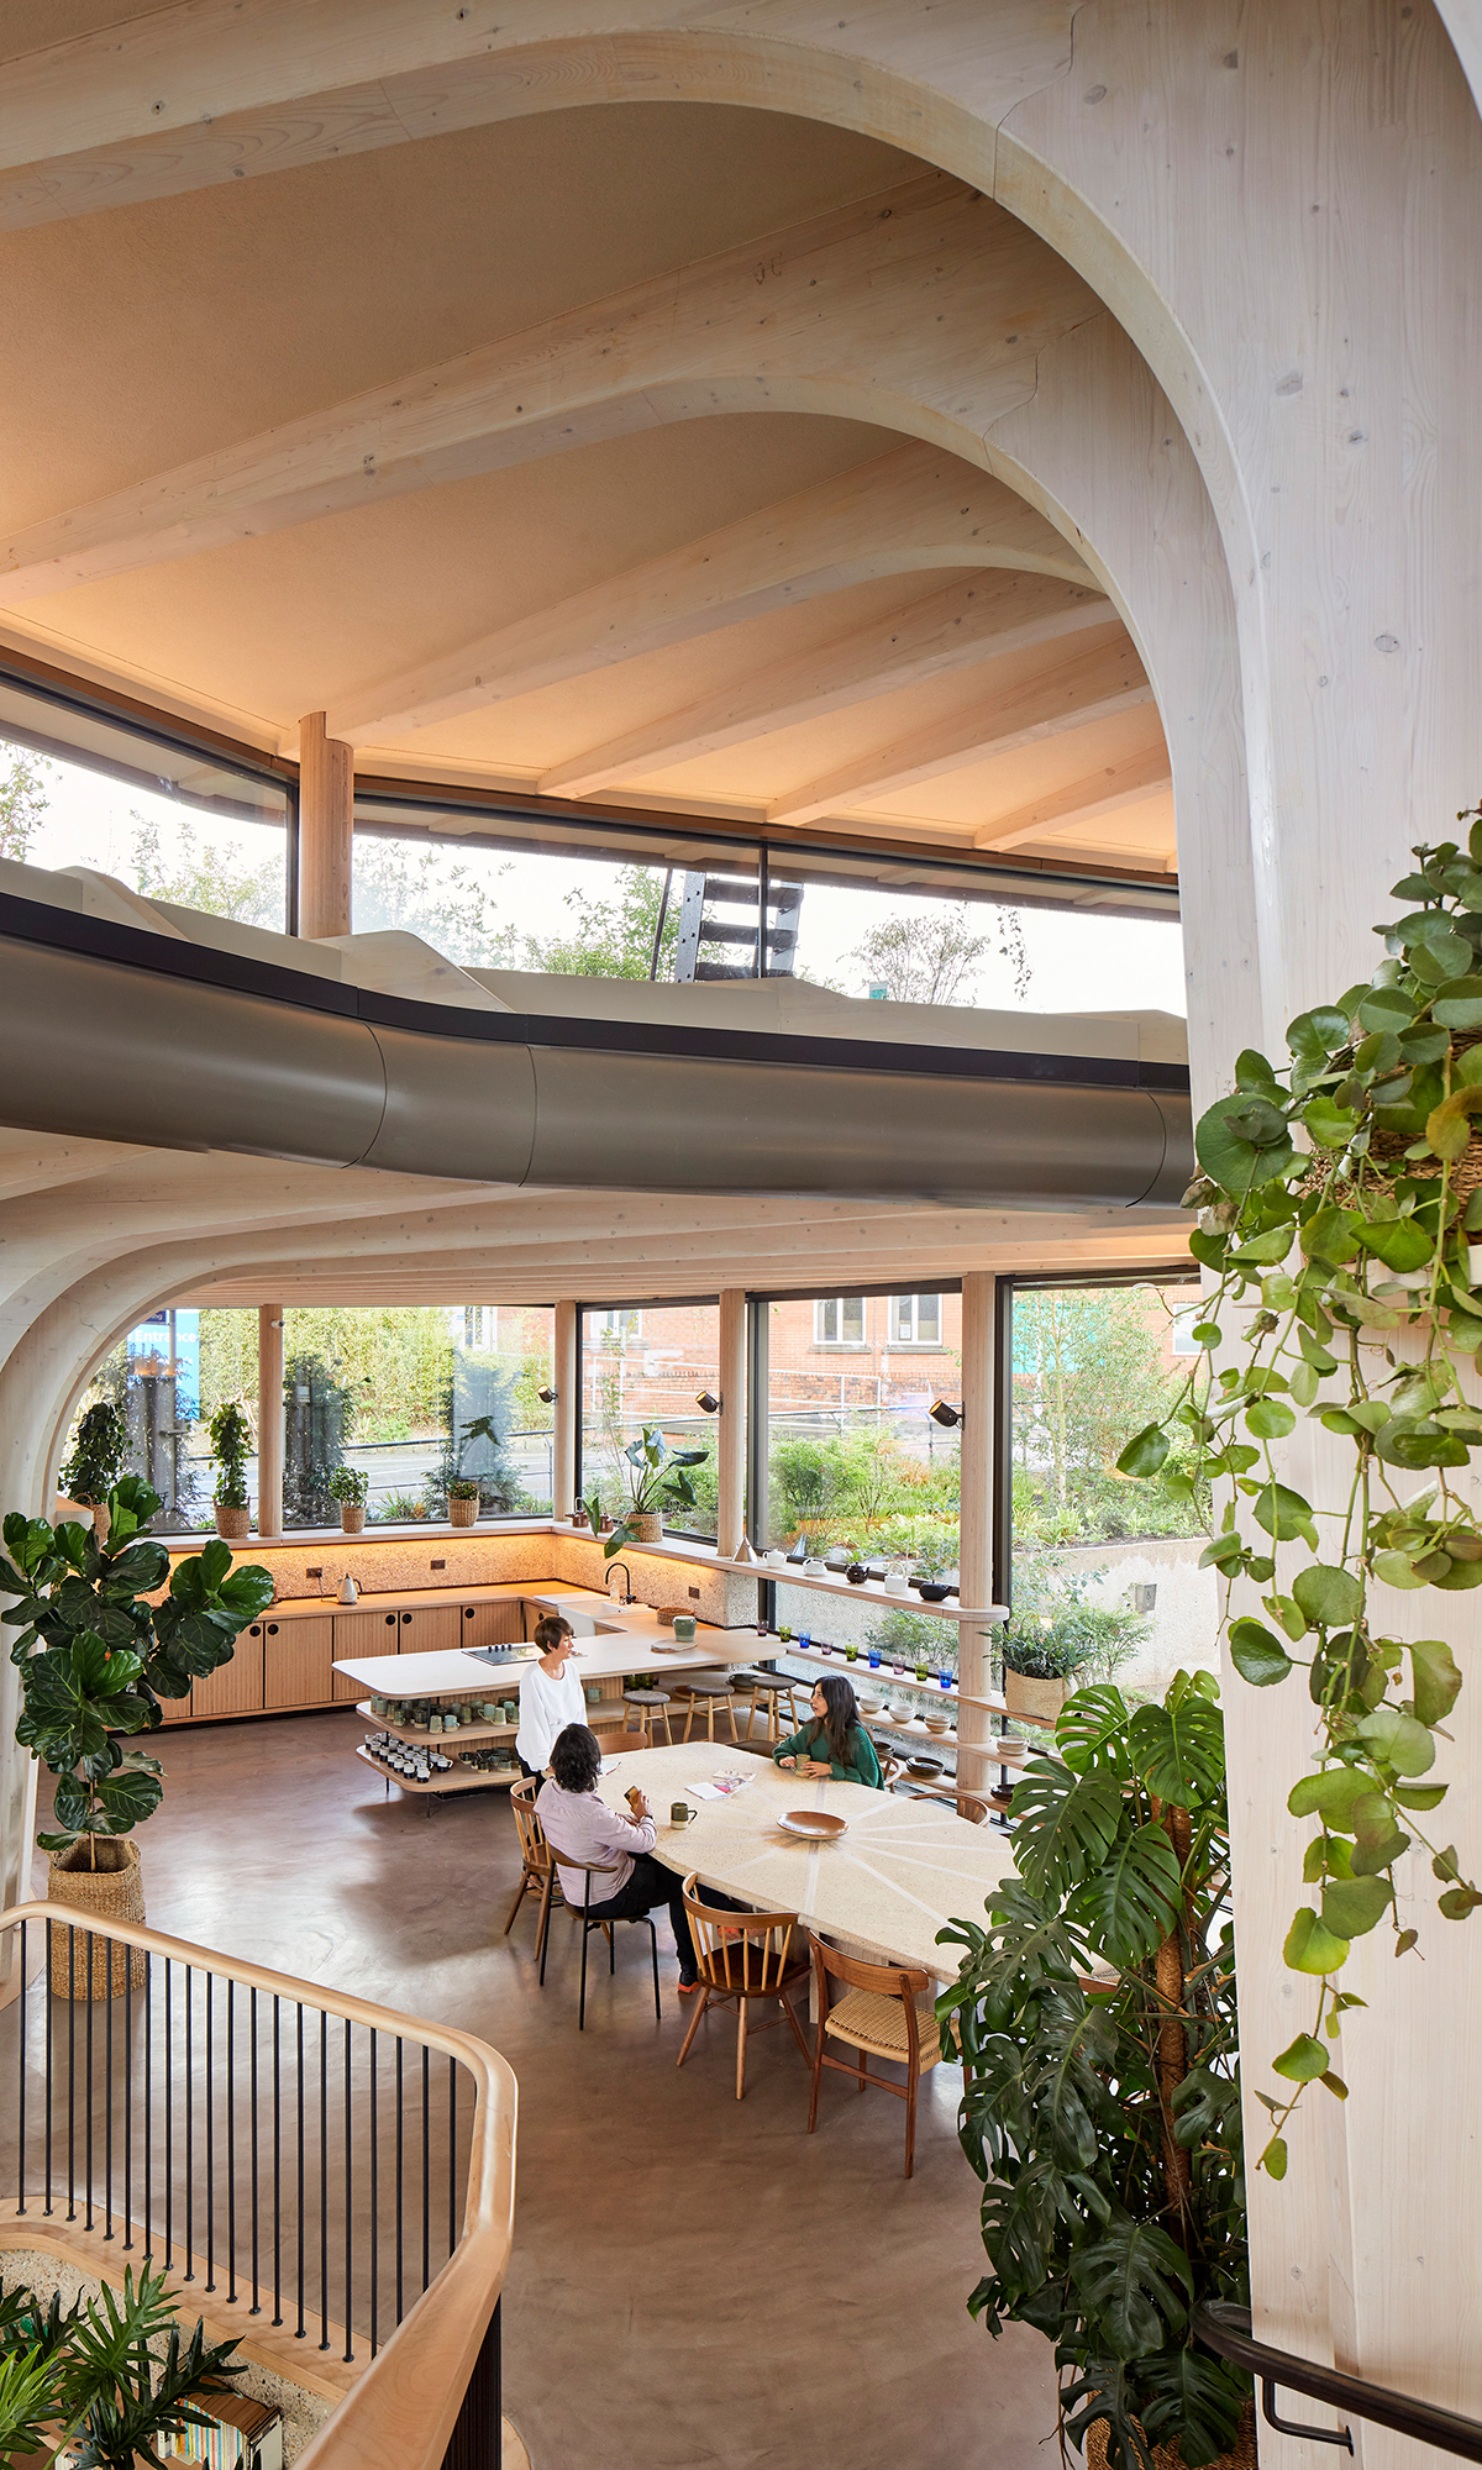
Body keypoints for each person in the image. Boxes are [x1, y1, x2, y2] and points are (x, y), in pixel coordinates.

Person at [536, 1723, 704, 1990]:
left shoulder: (548, 1791)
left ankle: (727, 1916)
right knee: (682, 1883)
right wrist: (645, 1815)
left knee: (661, 1863)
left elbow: (597, 1824)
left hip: (576, 1887)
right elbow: (645, 1841)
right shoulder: (592, 1815)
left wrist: (627, 1820)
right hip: (607, 1897)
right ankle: (690, 1970)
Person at [773, 1674, 883, 1788]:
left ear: (837, 1700)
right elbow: (785, 1748)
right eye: (814, 1694)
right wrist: (784, 1758)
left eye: (819, 1695)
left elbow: (870, 1780)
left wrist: (831, 1769)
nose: (812, 1700)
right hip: (817, 1790)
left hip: (850, 1798)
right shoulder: (812, 1727)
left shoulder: (856, 1735)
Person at [515, 1614, 587, 1779]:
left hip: (568, 1754)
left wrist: (584, 1748)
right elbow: (533, 1726)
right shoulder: (533, 1677)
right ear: (550, 1644)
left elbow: (580, 1715)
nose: (572, 1645)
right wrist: (547, 1764)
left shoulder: (571, 1670)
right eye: (566, 1640)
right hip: (541, 1757)